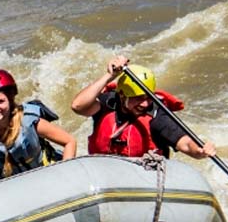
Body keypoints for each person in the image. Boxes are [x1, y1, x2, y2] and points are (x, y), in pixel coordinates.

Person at [70, 55, 216, 159]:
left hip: (143, 181)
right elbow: (78, 106)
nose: (145, 104)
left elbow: (185, 144)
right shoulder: (108, 104)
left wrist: (199, 150)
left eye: (147, 98)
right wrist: (110, 75)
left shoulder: (157, 116)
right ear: (121, 95)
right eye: (138, 99)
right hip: (104, 176)